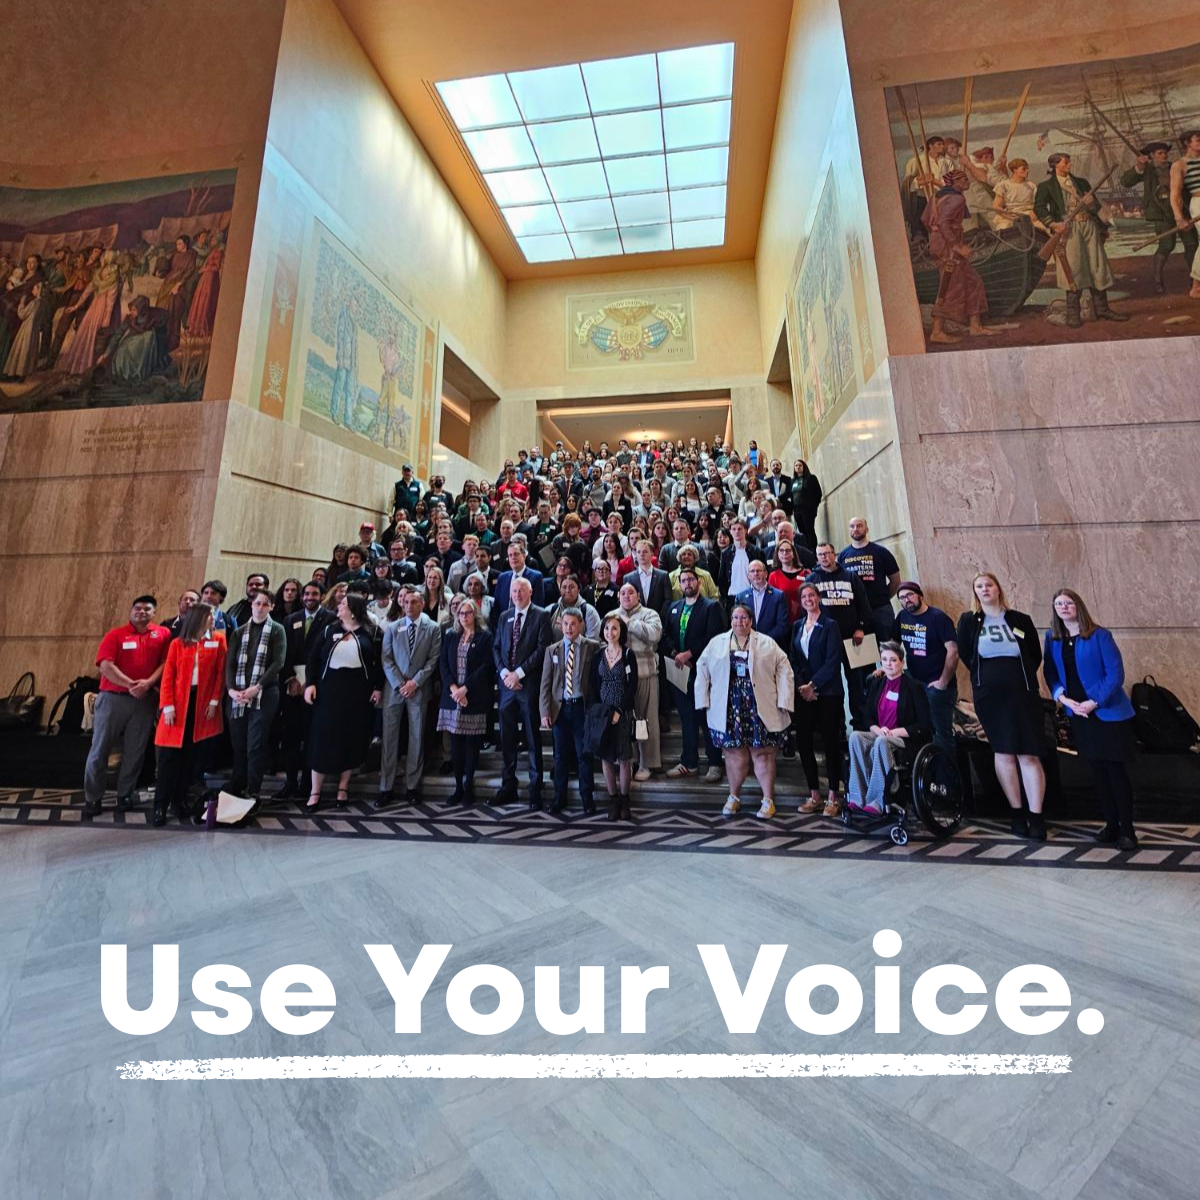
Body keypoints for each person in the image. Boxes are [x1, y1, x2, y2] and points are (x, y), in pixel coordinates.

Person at [1043, 589, 1139, 849]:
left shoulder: (1100, 635)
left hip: (1107, 714)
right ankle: (1110, 824)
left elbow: (1115, 675)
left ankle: (1127, 830)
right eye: (1059, 604)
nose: (1064, 607)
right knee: (1097, 772)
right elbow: (1050, 672)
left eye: (1069, 603)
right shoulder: (1052, 638)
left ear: (1078, 606)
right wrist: (1061, 697)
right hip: (1078, 715)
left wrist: (1093, 701)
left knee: (1115, 773)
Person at [956, 572, 1046, 839]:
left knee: (1028, 754)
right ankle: (1016, 812)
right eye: (979, 586)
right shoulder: (969, 621)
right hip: (990, 696)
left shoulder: (1019, 620)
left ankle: (1036, 815)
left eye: (989, 585)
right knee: (1004, 753)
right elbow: (966, 654)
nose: (985, 590)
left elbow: (1034, 654)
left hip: (1022, 693)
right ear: (975, 592)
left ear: (998, 588)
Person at [696, 603, 795, 820]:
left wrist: (785, 700)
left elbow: (785, 668)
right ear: (730, 620)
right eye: (735, 618)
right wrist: (702, 700)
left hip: (760, 705)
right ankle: (734, 797)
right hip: (728, 707)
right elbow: (702, 669)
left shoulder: (767, 643)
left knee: (763, 754)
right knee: (733, 756)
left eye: (744, 618)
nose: (740, 622)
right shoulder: (717, 643)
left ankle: (768, 800)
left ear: (751, 620)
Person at [83, 595, 172, 815]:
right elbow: (105, 665)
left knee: (135, 751)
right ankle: (93, 798)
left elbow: (165, 663)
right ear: (131, 611)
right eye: (137, 608)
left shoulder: (163, 634)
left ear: (154, 613)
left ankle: (125, 795)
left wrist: (148, 683)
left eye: (147, 609)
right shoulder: (116, 634)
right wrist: (131, 684)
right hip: (113, 699)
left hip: (144, 701)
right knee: (99, 750)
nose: (141, 612)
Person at [303, 593, 383, 810]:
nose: (339, 606)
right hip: (328, 691)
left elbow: (377, 663)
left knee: (351, 738)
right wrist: (310, 684)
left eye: (344, 604)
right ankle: (315, 791)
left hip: (357, 693)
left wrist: (377, 687)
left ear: (354, 609)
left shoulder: (370, 632)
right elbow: (312, 659)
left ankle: (343, 788)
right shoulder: (329, 630)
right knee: (321, 737)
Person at [152, 603, 226, 826]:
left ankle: (180, 801)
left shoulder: (218, 641)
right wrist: (168, 706)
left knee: (189, 759)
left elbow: (219, 674)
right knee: (168, 759)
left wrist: (215, 700)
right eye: (209, 616)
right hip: (177, 705)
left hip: (200, 704)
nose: (213, 619)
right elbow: (168, 677)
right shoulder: (177, 644)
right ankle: (160, 806)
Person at [1034, 153, 1128, 327]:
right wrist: (1054, 225)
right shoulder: (1046, 186)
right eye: (1066, 162)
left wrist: (1091, 203)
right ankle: (1073, 314)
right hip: (1068, 230)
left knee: (1097, 266)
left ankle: (1102, 310)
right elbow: (1039, 208)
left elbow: (1096, 208)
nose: (1069, 164)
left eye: (1069, 162)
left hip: (1089, 227)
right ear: (1056, 165)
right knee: (1073, 268)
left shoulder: (1082, 182)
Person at [845, 642, 931, 814]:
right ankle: (857, 796)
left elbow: (924, 725)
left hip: (903, 737)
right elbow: (867, 717)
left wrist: (893, 732)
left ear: (902, 663)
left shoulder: (913, 687)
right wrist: (877, 729)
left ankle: (878, 799)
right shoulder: (877, 684)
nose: (888, 664)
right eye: (884, 659)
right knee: (855, 737)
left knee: (882, 742)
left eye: (893, 660)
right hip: (880, 734)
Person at [377, 586, 443, 808]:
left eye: (414, 602)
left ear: (422, 604)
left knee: (417, 736)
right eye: (405, 602)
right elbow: (386, 659)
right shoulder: (393, 627)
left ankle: (412, 786)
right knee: (389, 738)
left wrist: (415, 682)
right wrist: (400, 683)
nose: (409, 606)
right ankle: (385, 786)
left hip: (418, 688)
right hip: (394, 690)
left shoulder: (433, 628)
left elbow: (433, 659)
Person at [662, 566, 727, 782]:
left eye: (691, 579)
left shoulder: (711, 607)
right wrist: (676, 654)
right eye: (683, 580)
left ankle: (715, 763)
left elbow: (714, 636)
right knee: (686, 717)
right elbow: (666, 635)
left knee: (705, 718)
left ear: (699, 582)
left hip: (702, 670)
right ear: (679, 585)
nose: (687, 583)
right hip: (679, 670)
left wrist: (690, 653)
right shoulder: (673, 607)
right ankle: (689, 762)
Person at [493, 576, 551, 809]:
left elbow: (541, 649)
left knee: (532, 738)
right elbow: (496, 647)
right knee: (507, 739)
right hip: (507, 687)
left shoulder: (541, 615)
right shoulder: (504, 616)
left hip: (529, 686)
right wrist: (506, 673)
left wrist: (519, 673)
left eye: (521, 591)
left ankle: (535, 788)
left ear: (530, 593)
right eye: (514, 591)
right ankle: (509, 785)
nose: (517, 595)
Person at [224, 589, 286, 802]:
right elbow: (230, 664)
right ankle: (238, 784)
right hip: (237, 695)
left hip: (264, 694)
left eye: (265, 604)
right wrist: (232, 690)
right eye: (257, 603)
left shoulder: (277, 630)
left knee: (255, 744)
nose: (260, 608)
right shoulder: (239, 632)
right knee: (238, 744)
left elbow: (278, 662)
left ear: (272, 607)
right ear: (251, 605)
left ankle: (253, 789)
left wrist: (257, 687)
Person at [791, 583, 846, 816]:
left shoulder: (831, 625)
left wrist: (813, 685)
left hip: (828, 692)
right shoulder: (797, 626)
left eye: (811, 595)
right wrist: (803, 686)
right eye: (804, 596)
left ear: (819, 598)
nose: (808, 599)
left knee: (831, 744)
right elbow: (793, 658)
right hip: (804, 694)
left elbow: (833, 661)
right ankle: (814, 794)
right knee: (804, 744)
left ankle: (834, 795)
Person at [539, 607, 600, 816]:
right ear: (560, 625)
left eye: (573, 624)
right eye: (565, 624)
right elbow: (545, 683)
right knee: (560, 757)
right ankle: (559, 797)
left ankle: (587, 797)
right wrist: (544, 711)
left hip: (581, 708)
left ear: (581, 625)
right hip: (560, 708)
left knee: (584, 755)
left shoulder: (592, 647)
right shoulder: (553, 650)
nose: (569, 628)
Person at [276, 582, 334, 800]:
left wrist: (311, 681)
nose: (310, 597)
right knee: (290, 736)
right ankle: (290, 782)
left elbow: (326, 653)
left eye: (315, 594)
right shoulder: (291, 620)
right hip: (293, 685)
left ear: (321, 596)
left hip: (316, 685)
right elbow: (284, 652)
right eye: (307, 594)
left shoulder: (330, 619)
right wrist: (290, 678)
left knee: (311, 736)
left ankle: (307, 784)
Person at [806, 541, 873, 726]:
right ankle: (837, 726)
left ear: (834, 554)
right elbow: (808, 608)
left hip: (853, 638)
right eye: (820, 555)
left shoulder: (850, 576)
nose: (824, 558)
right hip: (826, 641)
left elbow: (864, 605)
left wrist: (861, 628)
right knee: (830, 684)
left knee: (856, 682)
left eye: (827, 553)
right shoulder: (812, 579)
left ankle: (860, 723)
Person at [436, 597, 494, 804]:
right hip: (452, 698)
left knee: (471, 746)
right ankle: (458, 786)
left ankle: (469, 785)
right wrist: (453, 688)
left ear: (475, 614)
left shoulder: (485, 637)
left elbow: (487, 666)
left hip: (474, 697)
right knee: (456, 746)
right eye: (460, 613)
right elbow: (443, 663)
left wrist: (465, 689)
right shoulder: (451, 636)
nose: (463, 617)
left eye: (467, 613)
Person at [892, 581, 958, 752]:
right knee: (920, 732)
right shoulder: (902, 617)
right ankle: (928, 776)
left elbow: (953, 651)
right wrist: (886, 668)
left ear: (920, 595)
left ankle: (948, 777)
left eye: (909, 595)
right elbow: (893, 645)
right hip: (915, 684)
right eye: (902, 598)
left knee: (942, 735)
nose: (906, 600)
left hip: (937, 686)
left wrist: (942, 682)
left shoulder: (938, 617)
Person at [587, 613, 640, 821]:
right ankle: (613, 799)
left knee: (624, 759)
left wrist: (619, 710)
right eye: (607, 628)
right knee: (607, 759)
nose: (611, 632)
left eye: (615, 628)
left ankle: (626, 799)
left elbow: (632, 685)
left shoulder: (628, 655)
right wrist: (596, 711)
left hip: (622, 712)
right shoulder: (598, 655)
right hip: (603, 714)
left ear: (621, 632)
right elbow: (592, 684)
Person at [617, 581, 663, 782]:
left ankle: (647, 763)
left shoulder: (649, 614)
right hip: (620, 677)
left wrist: (629, 624)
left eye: (630, 593)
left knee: (645, 720)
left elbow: (654, 635)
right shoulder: (612, 614)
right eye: (623, 593)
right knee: (624, 721)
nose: (626, 596)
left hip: (645, 673)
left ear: (638, 596)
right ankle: (630, 759)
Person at [838, 518, 900, 646]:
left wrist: (883, 597)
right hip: (856, 613)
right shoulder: (843, 555)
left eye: (859, 526)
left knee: (888, 648)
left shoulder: (881, 552)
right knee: (864, 656)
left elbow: (895, 581)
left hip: (880, 609)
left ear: (866, 529)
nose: (855, 529)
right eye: (852, 526)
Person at [735, 559, 791, 649]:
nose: (756, 573)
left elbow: (782, 625)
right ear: (748, 576)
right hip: (747, 646)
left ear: (766, 574)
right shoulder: (740, 597)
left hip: (771, 646)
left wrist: (763, 640)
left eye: (759, 570)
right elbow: (737, 623)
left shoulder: (778, 596)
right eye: (752, 571)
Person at [493, 541, 545, 617]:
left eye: (516, 554)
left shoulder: (536, 576)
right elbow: (496, 607)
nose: (513, 557)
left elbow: (538, 604)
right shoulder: (502, 577)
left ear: (524, 556)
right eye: (510, 555)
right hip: (505, 623)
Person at [768, 538, 811, 624]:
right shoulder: (773, 576)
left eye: (788, 550)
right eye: (781, 551)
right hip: (783, 620)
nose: (785, 553)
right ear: (777, 554)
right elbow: (771, 601)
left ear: (793, 553)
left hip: (804, 618)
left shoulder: (806, 573)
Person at [627, 538, 672, 614]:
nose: (641, 554)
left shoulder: (663, 576)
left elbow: (668, 600)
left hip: (659, 620)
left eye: (645, 551)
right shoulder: (628, 578)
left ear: (652, 554)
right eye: (639, 552)